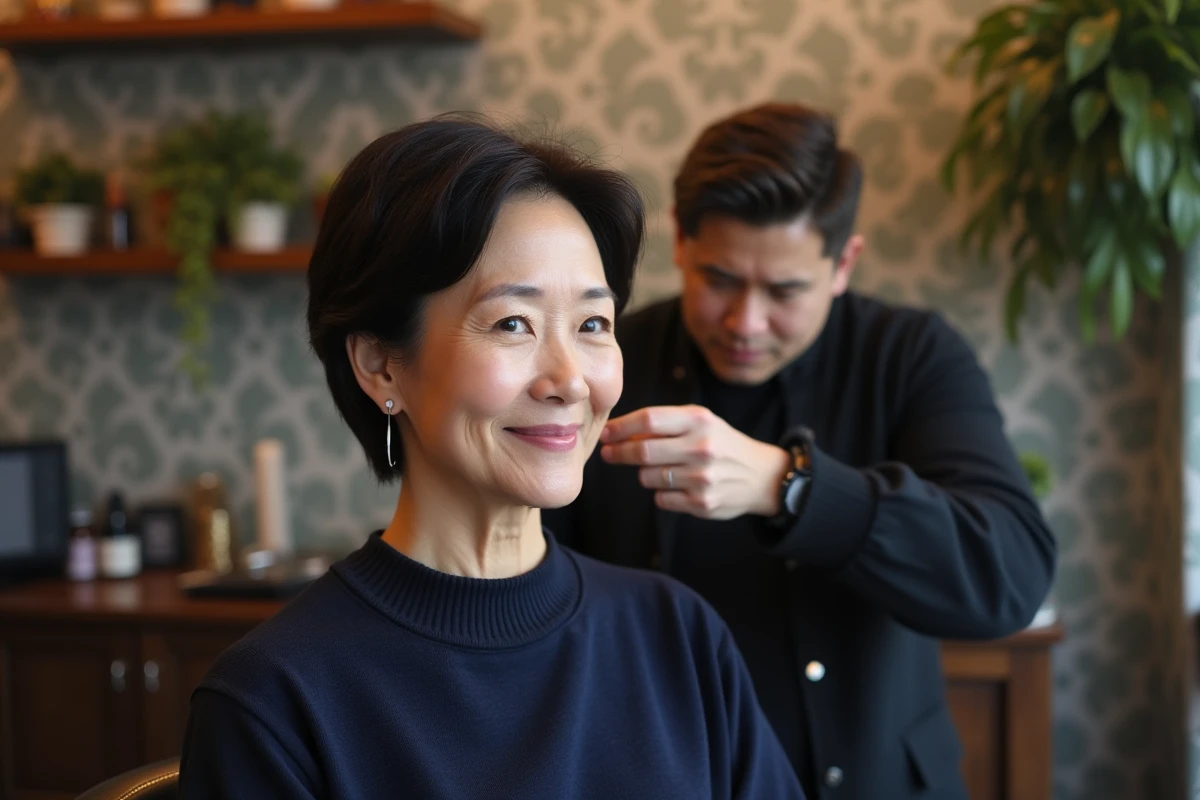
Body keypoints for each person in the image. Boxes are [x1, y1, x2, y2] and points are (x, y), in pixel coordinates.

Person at [177, 116, 806, 800]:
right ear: (381, 365)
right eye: (514, 324)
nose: (568, 379)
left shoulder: (676, 636)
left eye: (593, 324)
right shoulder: (275, 698)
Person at [543, 102, 1057, 799]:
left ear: (843, 263)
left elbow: (1009, 578)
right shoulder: (604, 363)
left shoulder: (911, 356)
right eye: (720, 279)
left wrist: (792, 488)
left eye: (784, 290)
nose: (745, 322)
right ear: (682, 242)